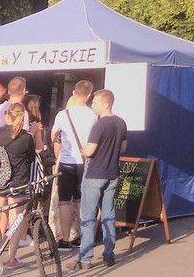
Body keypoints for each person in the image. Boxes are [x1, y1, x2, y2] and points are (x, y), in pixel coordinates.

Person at [70, 90, 127, 271]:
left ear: (105, 104)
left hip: (95, 174)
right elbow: (123, 147)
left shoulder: (99, 125)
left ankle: (84, 258)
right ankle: (108, 255)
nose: (92, 105)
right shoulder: (120, 123)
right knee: (108, 215)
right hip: (112, 174)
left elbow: (90, 151)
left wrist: (83, 150)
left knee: (88, 218)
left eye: (95, 102)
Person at [0, 103, 37, 269]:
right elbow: (31, 158)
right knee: (16, 220)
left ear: (7, 116)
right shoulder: (26, 137)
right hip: (19, 181)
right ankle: (11, 259)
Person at [50, 80, 96, 249]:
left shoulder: (63, 115)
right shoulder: (93, 115)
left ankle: (64, 239)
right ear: (89, 95)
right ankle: (83, 237)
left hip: (66, 162)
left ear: (74, 93)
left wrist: (59, 138)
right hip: (84, 163)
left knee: (63, 201)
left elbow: (54, 136)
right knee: (81, 200)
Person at [0, 77, 28, 142]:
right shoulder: (22, 112)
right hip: (15, 151)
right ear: (24, 91)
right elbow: (26, 139)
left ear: (8, 91)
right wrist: (34, 129)